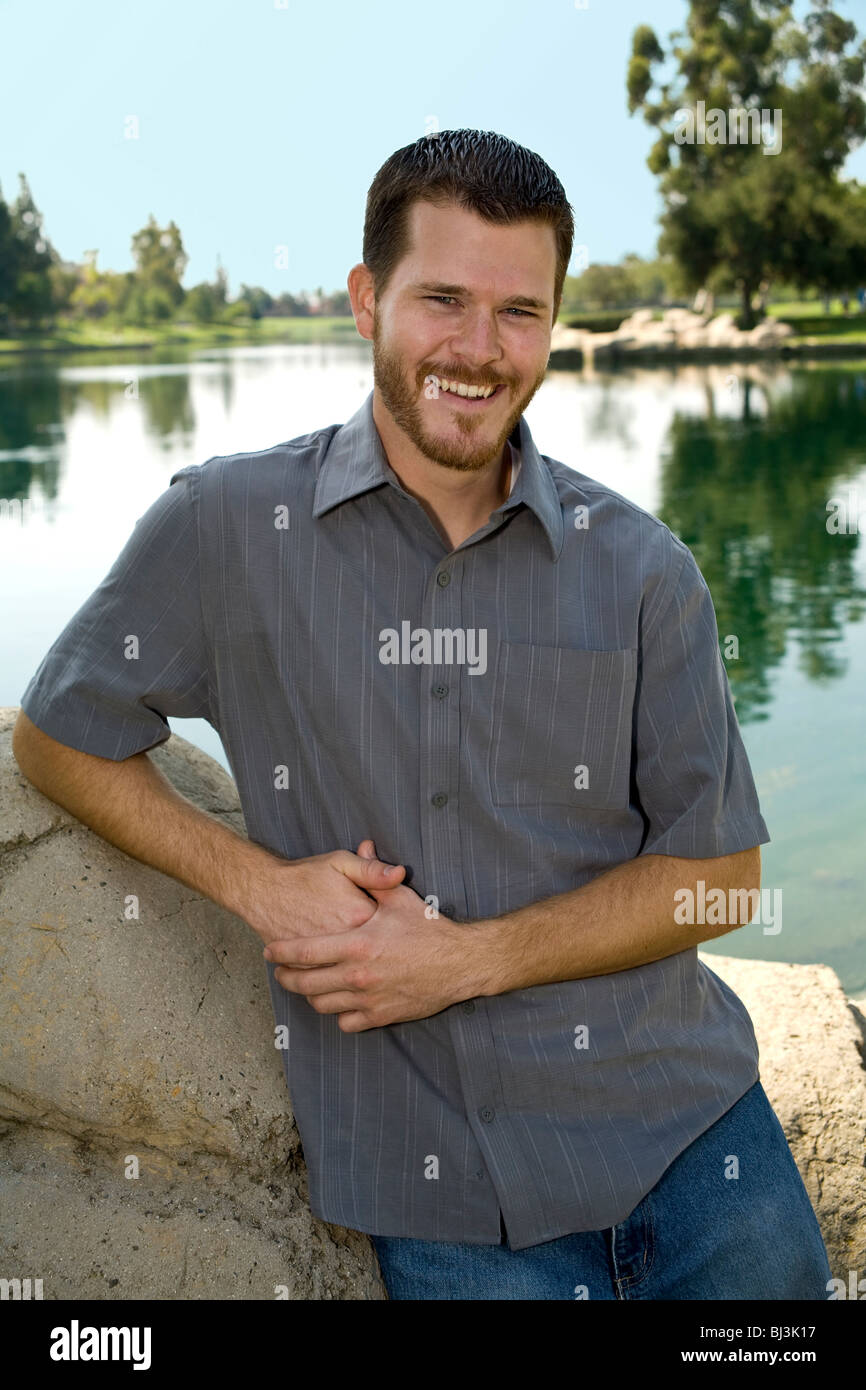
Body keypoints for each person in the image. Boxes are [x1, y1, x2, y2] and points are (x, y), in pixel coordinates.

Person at [13, 129, 832, 1301]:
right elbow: (58, 733)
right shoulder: (228, 527)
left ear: (553, 322)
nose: (479, 351)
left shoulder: (643, 570)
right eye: (441, 300)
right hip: (438, 1187)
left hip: (696, 1148)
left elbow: (723, 872)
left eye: (519, 312)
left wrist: (462, 962)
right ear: (366, 300)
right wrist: (257, 882)